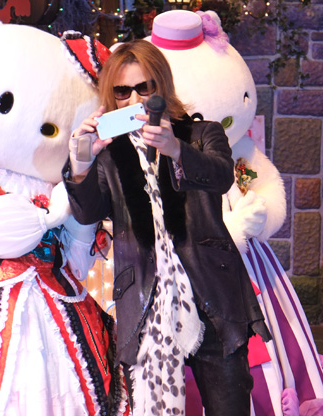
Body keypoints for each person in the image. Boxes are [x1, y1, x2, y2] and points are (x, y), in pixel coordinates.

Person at [63, 39, 271, 416]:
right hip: (145, 301)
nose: (134, 99)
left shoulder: (201, 134)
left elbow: (222, 176)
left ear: (161, 87)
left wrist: (176, 149)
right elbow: (87, 211)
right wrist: (81, 159)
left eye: (144, 88)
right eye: (122, 91)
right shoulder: (109, 153)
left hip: (212, 295)